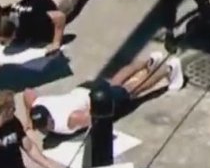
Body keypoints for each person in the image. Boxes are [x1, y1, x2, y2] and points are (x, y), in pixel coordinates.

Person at [24, 52, 184, 137]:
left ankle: (169, 68)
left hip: (95, 99)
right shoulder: (38, 103)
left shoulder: (68, 121)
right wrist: (28, 119)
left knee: (133, 90)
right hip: (84, 89)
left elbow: (94, 119)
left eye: (45, 124)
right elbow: (28, 93)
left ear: (50, 118)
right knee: (116, 81)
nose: (45, 129)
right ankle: (149, 61)